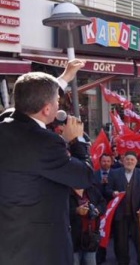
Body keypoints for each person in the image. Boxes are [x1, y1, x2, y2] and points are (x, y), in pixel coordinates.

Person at [0, 61, 95, 264]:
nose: (59, 105)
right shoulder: (46, 142)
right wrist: (77, 140)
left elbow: (31, 98)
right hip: (41, 252)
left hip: (9, 244)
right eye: (57, 102)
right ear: (46, 109)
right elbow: (85, 176)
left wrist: (64, 78)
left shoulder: (5, 123)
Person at [106, 152, 140, 265]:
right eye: (127, 159)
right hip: (120, 214)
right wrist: (113, 193)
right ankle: (123, 262)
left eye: (132, 160)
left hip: (137, 213)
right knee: (121, 243)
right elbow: (107, 189)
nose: (129, 161)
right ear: (123, 161)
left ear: (136, 162)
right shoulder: (114, 173)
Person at [69, 184, 106, 265]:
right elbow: (60, 212)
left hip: (91, 238)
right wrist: (76, 211)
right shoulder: (65, 192)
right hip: (73, 238)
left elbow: (103, 203)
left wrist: (97, 209)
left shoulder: (91, 189)